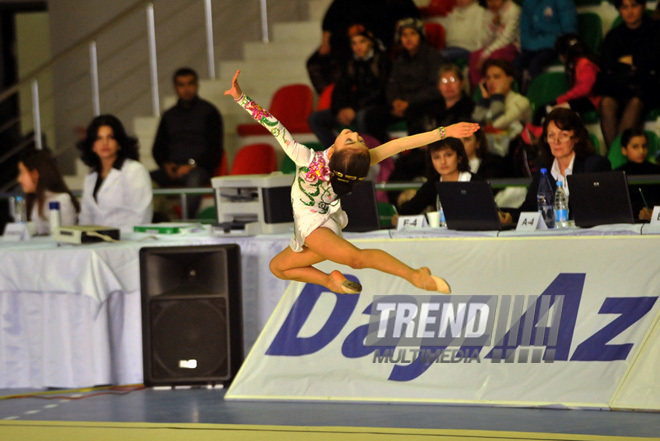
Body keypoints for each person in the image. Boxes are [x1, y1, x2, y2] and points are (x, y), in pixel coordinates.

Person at [225, 70, 479, 294]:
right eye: (358, 138)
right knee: (278, 267)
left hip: (314, 225)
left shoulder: (307, 158)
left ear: (336, 152)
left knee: (355, 259)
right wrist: (443, 131)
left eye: (352, 140)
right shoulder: (355, 161)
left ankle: (415, 276)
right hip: (321, 222)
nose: (355, 134)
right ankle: (330, 282)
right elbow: (399, 144)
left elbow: (274, 126)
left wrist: (241, 98)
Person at [511, 108, 611, 218]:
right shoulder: (544, 169)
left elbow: (604, 209)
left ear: (577, 137)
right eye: (551, 135)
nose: (556, 142)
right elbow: (529, 208)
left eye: (563, 135)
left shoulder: (595, 165)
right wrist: (508, 216)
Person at [151, 67, 223, 219]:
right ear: (175, 88)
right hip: (173, 169)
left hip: (199, 168)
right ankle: (164, 217)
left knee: (194, 180)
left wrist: (191, 165)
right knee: (144, 178)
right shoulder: (169, 115)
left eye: (190, 84)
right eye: (181, 85)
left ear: (196, 85)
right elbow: (158, 148)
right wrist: (166, 164)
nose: (186, 89)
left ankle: (185, 221)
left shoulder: (209, 112)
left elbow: (215, 149)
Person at [306, 0, 420, 94]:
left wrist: (400, 33)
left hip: (371, 44)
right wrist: (325, 43)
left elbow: (411, 17)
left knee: (347, 66)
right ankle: (329, 95)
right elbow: (328, 22)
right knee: (313, 63)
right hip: (341, 43)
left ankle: (342, 95)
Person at [307, 24, 391, 148]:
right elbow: (340, 89)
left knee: (362, 117)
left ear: (371, 42)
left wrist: (354, 109)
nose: (358, 47)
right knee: (315, 119)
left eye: (362, 41)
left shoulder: (382, 60)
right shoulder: (350, 62)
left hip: (376, 106)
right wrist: (340, 110)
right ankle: (338, 153)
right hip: (353, 107)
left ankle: (363, 157)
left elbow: (381, 92)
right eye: (354, 43)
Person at [596, 0, 660, 151]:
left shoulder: (656, 30)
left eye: (634, 5)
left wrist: (633, 60)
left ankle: (616, 158)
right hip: (619, 86)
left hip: (646, 87)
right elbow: (605, 64)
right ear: (619, 9)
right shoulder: (614, 35)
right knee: (606, 103)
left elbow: (655, 59)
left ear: (643, 6)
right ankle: (617, 157)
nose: (629, 11)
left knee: (635, 103)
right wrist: (635, 62)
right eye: (624, 7)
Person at [78, 114, 153, 231]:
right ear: (93, 146)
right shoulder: (91, 176)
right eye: (99, 138)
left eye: (110, 137)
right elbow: (86, 218)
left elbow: (141, 217)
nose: (105, 143)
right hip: (96, 242)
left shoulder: (134, 170)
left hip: (127, 242)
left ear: (119, 143)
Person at [532, 33, 601, 125]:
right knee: (542, 110)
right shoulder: (577, 64)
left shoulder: (584, 63)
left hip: (590, 101)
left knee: (547, 110)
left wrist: (561, 99)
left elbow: (584, 89)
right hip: (584, 100)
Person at [472, 59, 532, 158]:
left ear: (510, 79)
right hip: (487, 154)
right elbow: (474, 127)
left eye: (496, 77)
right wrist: (484, 100)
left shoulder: (521, 101)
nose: (491, 82)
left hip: (513, 156)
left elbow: (497, 125)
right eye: (488, 78)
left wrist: (498, 96)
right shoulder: (489, 101)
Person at [517, 0, 577, 92]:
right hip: (531, 45)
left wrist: (563, 49)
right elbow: (525, 31)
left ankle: (536, 96)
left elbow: (569, 30)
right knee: (517, 63)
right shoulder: (528, 3)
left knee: (535, 64)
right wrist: (528, 45)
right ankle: (516, 96)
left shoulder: (563, 2)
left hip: (554, 45)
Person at [16, 149, 79, 235]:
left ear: (35, 174)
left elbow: (66, 236)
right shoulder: (34, 201)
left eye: (22, 172)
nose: (19, 179)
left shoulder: (60, 200)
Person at [468, 0, 521, 87]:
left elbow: (506, 39)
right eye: (488, 1)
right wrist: (493, 25)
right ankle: (480, 91)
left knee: (494, 57)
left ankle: (497, 89)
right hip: (493, 46)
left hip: (511, 47)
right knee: (474, 56)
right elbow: (485, 41)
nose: (491, 4)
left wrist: (484, 56)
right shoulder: (489, 12)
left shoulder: (513, 10)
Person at [614, 128, 660, 220]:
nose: (641, 151)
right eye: (635, 147)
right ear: (624, 150)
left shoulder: (657, 171)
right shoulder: (617, 174)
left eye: (644, 146)